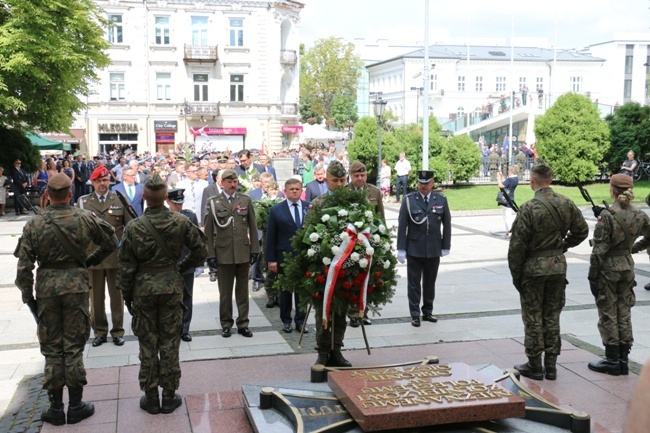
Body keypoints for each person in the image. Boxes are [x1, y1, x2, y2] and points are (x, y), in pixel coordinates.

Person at [15, 173, 118, 426]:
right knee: (73, 347)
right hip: (76, 287)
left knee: (52, 348)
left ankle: (55, 408)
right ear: (70, 194)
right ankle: (75, 405)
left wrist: (29, 298)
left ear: (47, 195)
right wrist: (89, 261)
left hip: (48, 289)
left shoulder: (35, 224)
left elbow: (23, 268)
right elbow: (111, 241)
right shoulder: (84, 217)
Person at [117, 174, 207, 414]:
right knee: (169, 341)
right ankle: (169, 395)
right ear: (166, 197)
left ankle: (150, 396)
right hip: (171, 288)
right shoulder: (180, 221)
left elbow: (125, 267)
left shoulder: (134, 227)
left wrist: (127, 295)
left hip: (143, 291)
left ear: (144, 197)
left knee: (148, 343)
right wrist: (180, 267)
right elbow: (201, 251)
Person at [508, 160, 589, 381]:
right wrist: (562, 246)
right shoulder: (566, 203)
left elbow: (517, 248)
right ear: (551, 180)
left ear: (532, 181)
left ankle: (535, 364)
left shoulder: (528, 208)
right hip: (557, 268)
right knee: (552, 315)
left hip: (533, 271)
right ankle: (551, 365)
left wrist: (517, 276)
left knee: (534, 317)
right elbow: (582, 231)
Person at [588, 175, 650, 375]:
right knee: (624, 311)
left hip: (608, 269)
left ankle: (612, 358)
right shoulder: (640, 214)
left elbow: (599, 250)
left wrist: (592, 275)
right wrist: (632, 248)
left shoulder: (607, 216)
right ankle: (623, 357)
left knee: (608, 312)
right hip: (626, 267)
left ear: (612, 191)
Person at [78, 166, 132, 347]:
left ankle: (117, 331)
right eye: (99, 181)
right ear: (92, 182)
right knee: (96, 299)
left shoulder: (118, 199)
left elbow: (130, 227)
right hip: (93, 258)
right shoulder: (83, 202)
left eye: (106, 180)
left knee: (117, 297)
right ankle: (100, 331)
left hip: (115, 257)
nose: (103, 184)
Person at [204, 169, 259, 339]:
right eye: (229, 181)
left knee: (243, 292)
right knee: (225, 293)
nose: (233, 184)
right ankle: (226, 324)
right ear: (222, 183)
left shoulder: (245, 200)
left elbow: (253, 227)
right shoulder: (214, 202)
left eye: (234, 181)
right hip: (223, 254)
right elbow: (208, 231)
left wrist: (255, 249)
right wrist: (210, 255)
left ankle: (243, 323)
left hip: (242, 252)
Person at [308, 160, 352, 367]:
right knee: (324, 309)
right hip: (324, 266)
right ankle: (323, 351)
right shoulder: (318, 204)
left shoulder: (353, 203)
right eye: (335, 180)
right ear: (326, 181)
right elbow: (307, 234)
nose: (340, 184)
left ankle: (337, 349)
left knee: (341, 309)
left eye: (343, 180)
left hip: (347, 266)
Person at [397, 170, 451, 328]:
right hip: (414, 248)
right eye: (421, 183)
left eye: (427, 183)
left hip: (433, 248)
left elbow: (447, 224)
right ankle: (415, 314)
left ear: (433, 183)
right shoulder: (409, 200)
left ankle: (428, 311)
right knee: (414, 284)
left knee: (430, 283)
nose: (423, 186)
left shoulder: (440, 200)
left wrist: (445, 245)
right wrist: (401, 248)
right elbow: (402, 226)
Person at [266, 178, 308, 333]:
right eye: (291, 189)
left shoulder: (308, 207)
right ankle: (286, 320)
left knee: (302, 291)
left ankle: (300, 321)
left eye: (297, 189)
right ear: (285, 191)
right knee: (285, 291)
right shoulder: (276, 210)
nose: (295, 191)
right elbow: (271, 237)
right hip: (284, 256)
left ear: (301, 191)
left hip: (304, 256)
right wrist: (271, 259)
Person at [166, 188, 203, 342]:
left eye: (180, 203)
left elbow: (197, 241)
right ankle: (171, 328)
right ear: (168, 202)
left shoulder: (189, 216)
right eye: (175, 203)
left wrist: (199, 263)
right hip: (169, 265)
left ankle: (184, 328)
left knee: (187, 297)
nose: (178, 207)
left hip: (186, 263)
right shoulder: (163, 218)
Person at [498, 165, 519, 239]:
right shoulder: (515, 178)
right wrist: (501, 175)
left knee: (507, 217)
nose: (508, 171)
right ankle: (510, 231)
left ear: (512, 171)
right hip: (510, 197)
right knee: (508, 216)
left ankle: (510, 232)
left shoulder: (510, 179)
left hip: (506, 198)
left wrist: (498, 178)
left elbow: (501, 185)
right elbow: (505, 181)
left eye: (509, 170)